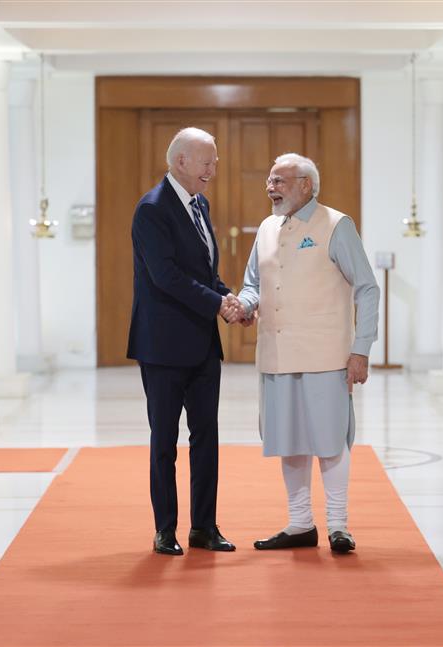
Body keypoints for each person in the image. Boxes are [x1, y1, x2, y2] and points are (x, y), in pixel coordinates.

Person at [236, 153, 379, 553]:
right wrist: (244, 305)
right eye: (269, 179)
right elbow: (252, 283)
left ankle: (339, 526)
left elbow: (367, 287)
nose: (271, 187)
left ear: (306, 185)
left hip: (326, 355)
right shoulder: (265, 228)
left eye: (280, 180)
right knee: (290, 440)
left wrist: (361, 349)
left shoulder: (337, 225)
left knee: (330, 440)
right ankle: (300, 524)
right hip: (277, 355)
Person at [127, 127, 243, 556]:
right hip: (162, 347)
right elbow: (167, 277)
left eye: (214, 160)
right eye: (207, 162)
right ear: (181, 162)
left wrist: (227, 296)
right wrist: (217, 303)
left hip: (201, 344)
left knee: (206, 438)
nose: (214, 169)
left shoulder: (200, 203)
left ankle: (204, 528)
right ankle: (165, 529)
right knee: (164, 442)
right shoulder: (152, 210)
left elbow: (202, 271)